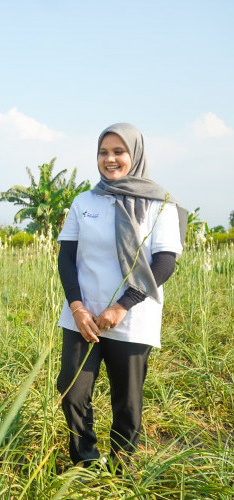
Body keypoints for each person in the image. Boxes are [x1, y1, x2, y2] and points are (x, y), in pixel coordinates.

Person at [56, 123, 187, 468]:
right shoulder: (84, 200)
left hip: (132, 317)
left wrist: (123, 305)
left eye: (118, 152)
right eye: (103, 152)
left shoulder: (160, 203)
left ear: (135, 154)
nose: (110, 159)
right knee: (72, 390)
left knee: (127, 400)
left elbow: (165, 262)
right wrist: (78, 306)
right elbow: (67, 258)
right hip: (82, 317)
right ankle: (86, 460)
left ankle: (121, 465)